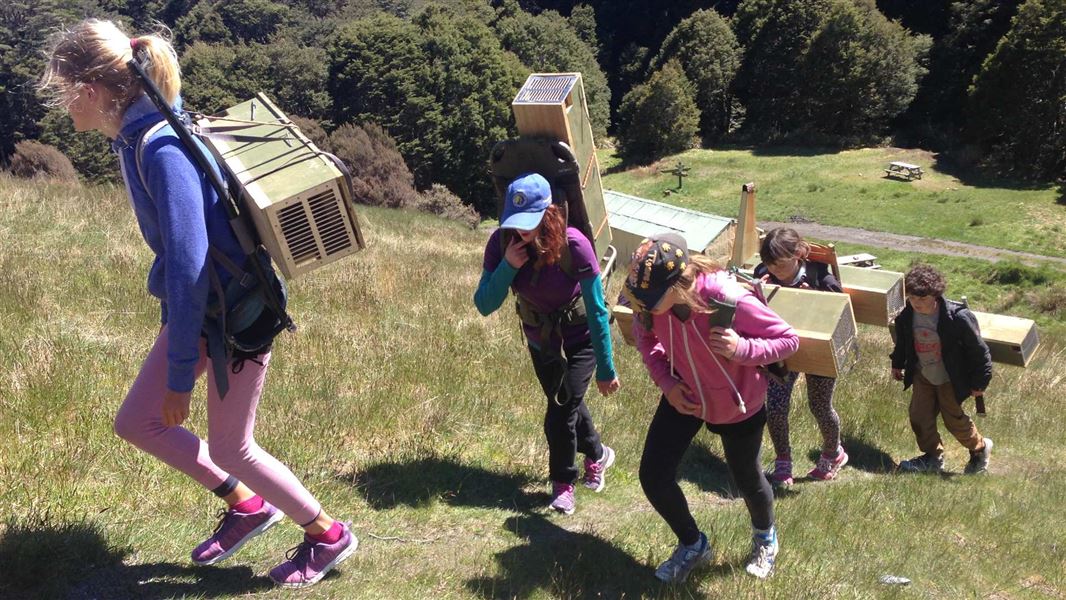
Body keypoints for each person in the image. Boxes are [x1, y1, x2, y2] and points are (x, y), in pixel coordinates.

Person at [40, 19, 355, 588]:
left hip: (236, 317)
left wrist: (181, 376)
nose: (63, 105)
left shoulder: (159, 146)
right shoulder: (142, 133)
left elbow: (189, 266)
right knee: (138, 421)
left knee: (234, 446)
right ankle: (246, 506)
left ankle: (327, 534)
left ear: (89, 90)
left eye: (62, 90)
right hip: (207, 312)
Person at [626, 234, 799, 582]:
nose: (641, 306)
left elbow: (788, 339)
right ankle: (693, 544)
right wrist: (667, 384)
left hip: (737, 401)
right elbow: (646, 340)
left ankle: (766, 539)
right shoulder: (648, 303)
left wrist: (742, 349)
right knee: (653, 475)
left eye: (649, 300)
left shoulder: (726, 298)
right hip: (684, 394)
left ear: (676, 285)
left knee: (747, 478)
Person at [474, 172, 620, 515]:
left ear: (549, 212)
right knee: (568, 403)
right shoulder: (500, 244)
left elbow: (598, 310)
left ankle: (563, 484)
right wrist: (508, 266)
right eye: (516, 219)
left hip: (580, 337)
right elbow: (484, 303)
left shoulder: (575, 244)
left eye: (530, 221)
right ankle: (599, 453)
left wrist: (606, 368)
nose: (521, 229)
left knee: (561, 410)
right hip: (541, 340)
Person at [754, 227, 848, 486]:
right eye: (769, 265)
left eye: (780, 265)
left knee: (819, 406)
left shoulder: (823, 282)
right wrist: (756, 294)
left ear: (798, 255)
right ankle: (783, 461)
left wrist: (814, 299)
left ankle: (833, 453)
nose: (774, 270)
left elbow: (840, 320)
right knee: (774, 407)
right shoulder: (763, 276)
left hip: (818, 353)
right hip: (781, 350)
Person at [890, 264, 993, 474]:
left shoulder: (957, 318)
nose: (917, 303)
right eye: (912, 298)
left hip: (950, 377)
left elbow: (980, 352)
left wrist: (979, 384)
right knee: (919, 416)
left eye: (923, 298)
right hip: (923, 374)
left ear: (935, 295)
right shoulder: (906, 316)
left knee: (953, 420)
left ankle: (980, 449)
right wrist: (897, 363)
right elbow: (903, 343)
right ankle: (932, 457)